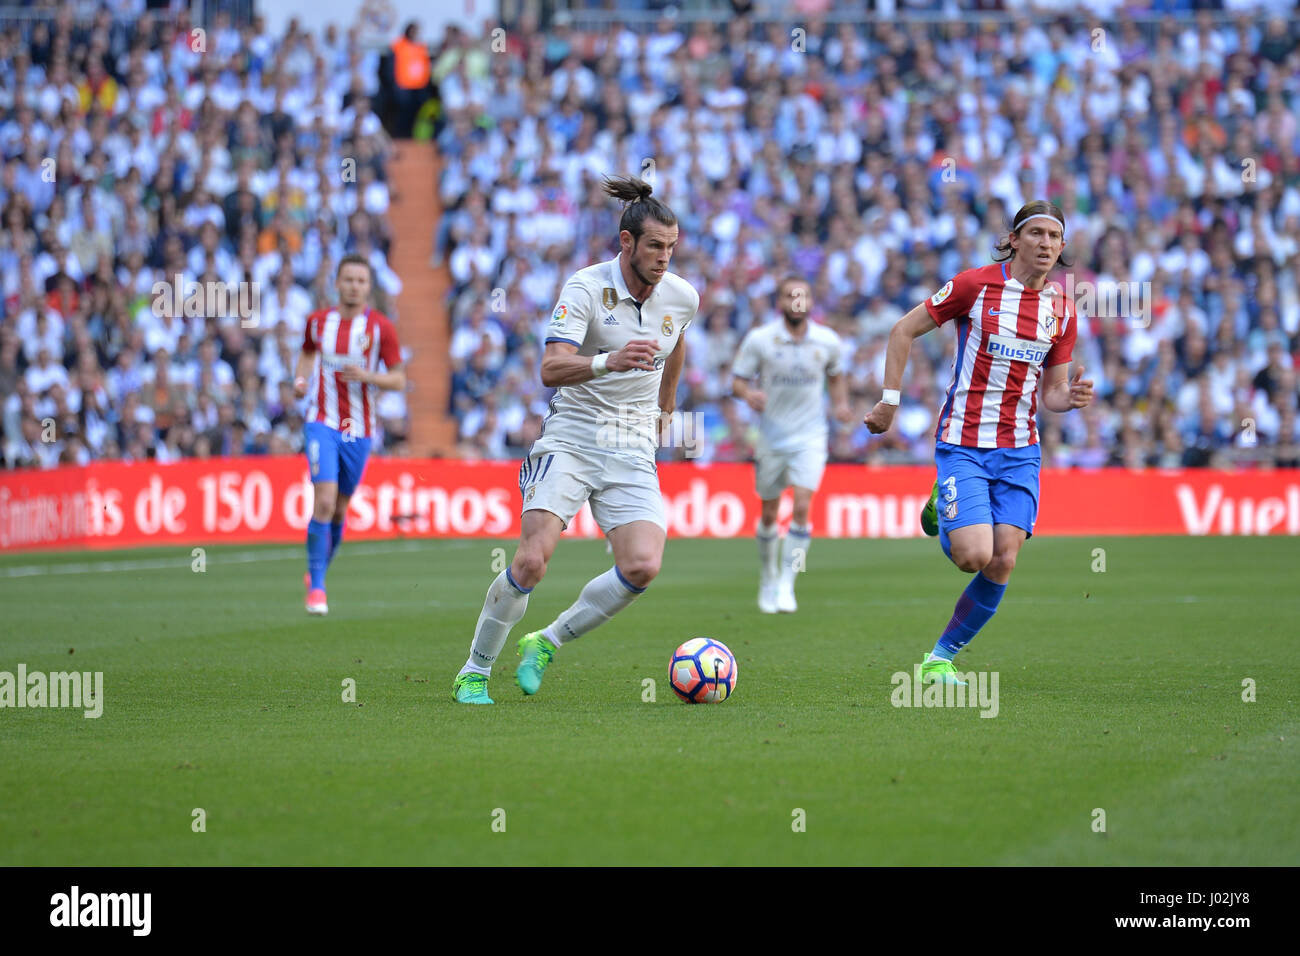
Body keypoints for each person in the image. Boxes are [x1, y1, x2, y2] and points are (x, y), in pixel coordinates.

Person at [451, 175, 698, 704]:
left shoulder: (682, 297)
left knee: (642, 566)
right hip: (573, 433)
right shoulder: (585, 288)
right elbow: (550, 367)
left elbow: (677, 343)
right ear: (626, 242)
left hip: (631, 441)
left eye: (672, 247)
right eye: (655, 246)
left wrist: (667, 405)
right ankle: (475, 668)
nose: (664, 258)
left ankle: (547, 640)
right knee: (532, 560)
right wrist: (609, 360)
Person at [865, 200, 1094, 684]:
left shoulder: (1062, 311)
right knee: (973, 555)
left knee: (1003, 558)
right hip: (964, 442)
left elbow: (1051, 393)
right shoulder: (975, 286)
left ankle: (939, 659)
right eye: (1035, 234)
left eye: (1054, 237)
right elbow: (903, 329)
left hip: (1020, 450)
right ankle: (940, 502)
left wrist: (1068, 398)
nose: (1045, 244)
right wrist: (889, 401)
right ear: (1014, 239)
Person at [293, 254, 405, 615]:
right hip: (321, 421)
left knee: (339, 511)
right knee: (323, 501)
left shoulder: (381, 329)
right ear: (337, 283)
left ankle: (318, 570)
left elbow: (399, 378)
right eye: (348, 280)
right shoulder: (317, 322)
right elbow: (307, 355)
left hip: (360, 429)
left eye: (361, 280)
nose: (354, 286)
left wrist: (369, 377)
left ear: (368, 286)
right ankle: (318, 589)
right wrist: (300, 380)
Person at [731, 276, 851, 613]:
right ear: (780, 302)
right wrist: (748, 394)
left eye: (802, 295)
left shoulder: (827, 341)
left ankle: (788, 582)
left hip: (811, 436)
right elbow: (737, 381)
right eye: (789, 296)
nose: (796, 301)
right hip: (772, 436)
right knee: (769, 513)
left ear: (811, 301)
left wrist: (840, 404)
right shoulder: (761, 340)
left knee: (801, 507)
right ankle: (768, 576)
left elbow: (836, 375)